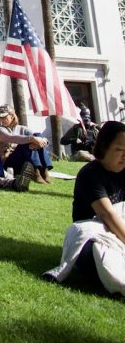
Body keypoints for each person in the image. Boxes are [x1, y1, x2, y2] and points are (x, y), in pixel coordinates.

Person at [44, 121, 125, 294]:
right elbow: (107, 214)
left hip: (120, 230)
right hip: (97, 234)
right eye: (120, 150)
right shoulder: (90, 174)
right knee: (98, 254)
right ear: (104, 147)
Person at [0, 104, 53, 185]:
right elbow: (12, 137)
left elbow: (37, 137)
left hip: (22, 160)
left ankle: (44, 171)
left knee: (37, 135)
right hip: (8, 162)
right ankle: (35, 171)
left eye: (4, 117)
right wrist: (32, 139)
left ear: (12, 116)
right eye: (1, 117)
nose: (2, 120)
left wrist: (43, 140)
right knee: (26, 142)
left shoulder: (22, 128)